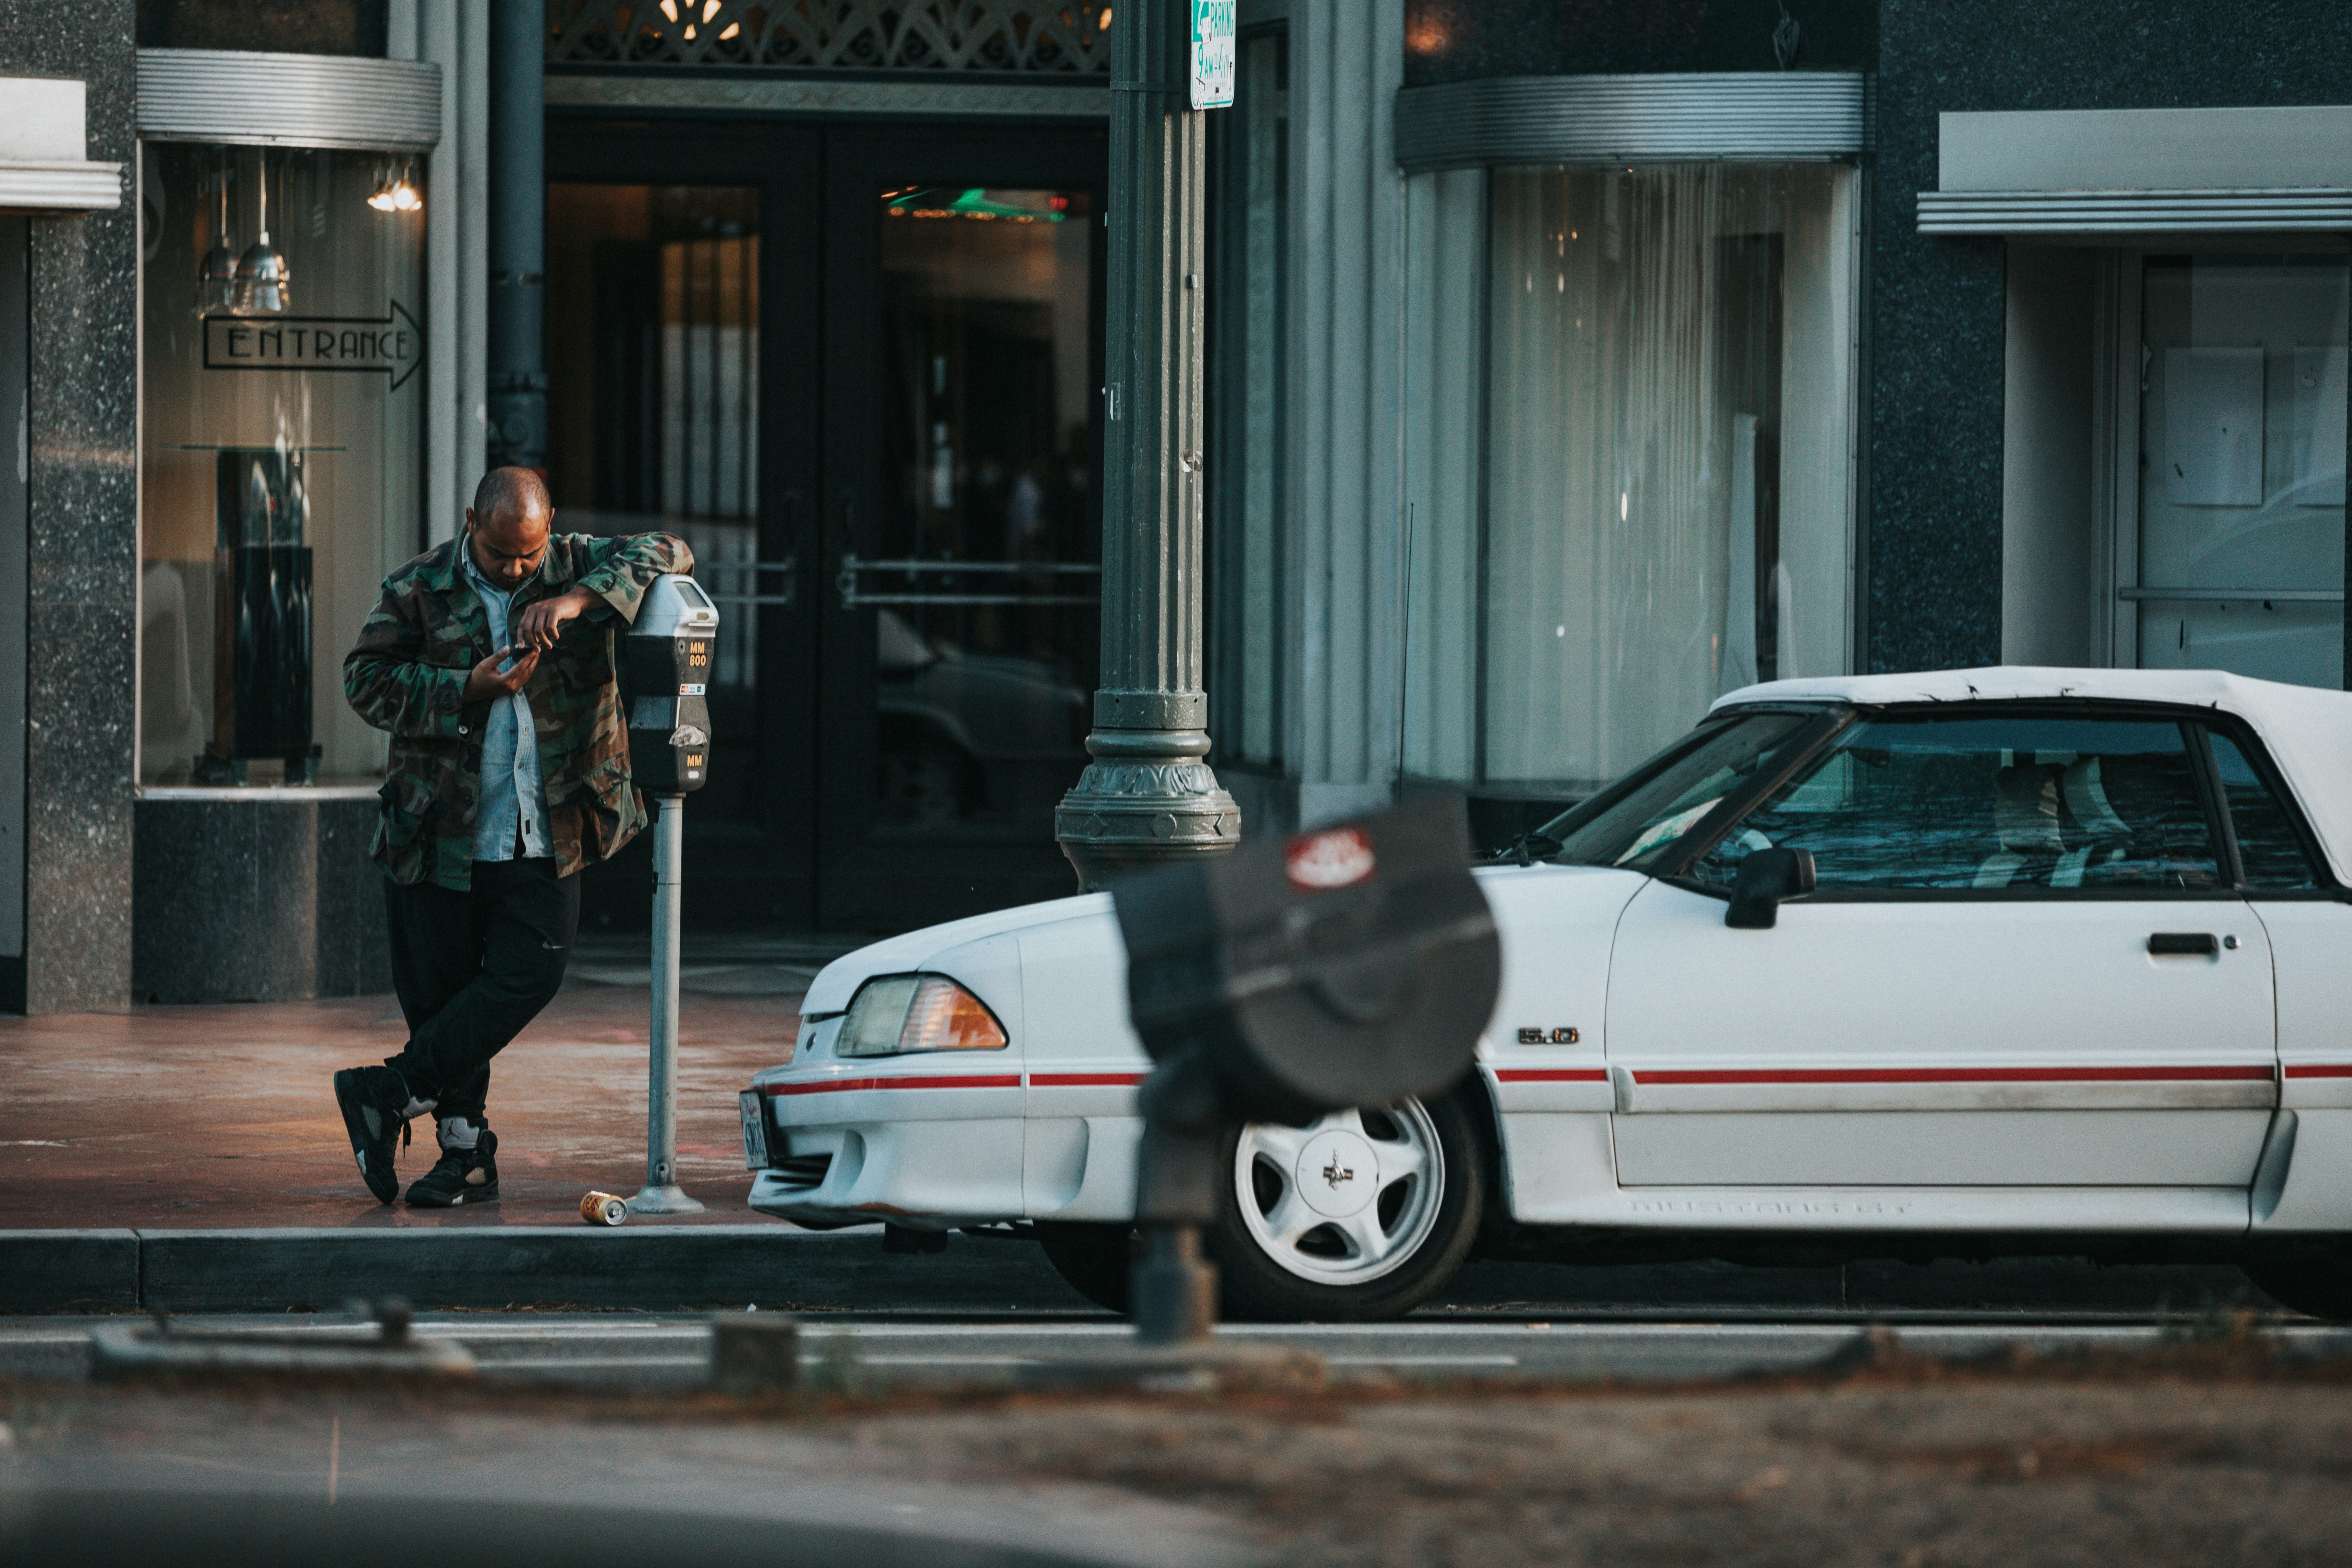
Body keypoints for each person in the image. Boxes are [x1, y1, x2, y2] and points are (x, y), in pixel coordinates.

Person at [331, 468, 692, 1206]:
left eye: (530, 554)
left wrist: (575, 597)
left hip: (549, 827)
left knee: (530, 972)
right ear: (472, 522)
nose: (518, 568)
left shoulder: (572, 565)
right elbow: (364, 681)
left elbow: (671, 549)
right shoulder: (419, 586)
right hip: (440, 829)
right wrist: (468, 687)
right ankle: (465, 1155)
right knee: (443, 997)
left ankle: (389, 1089)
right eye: (501, 555)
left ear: (550, 524)